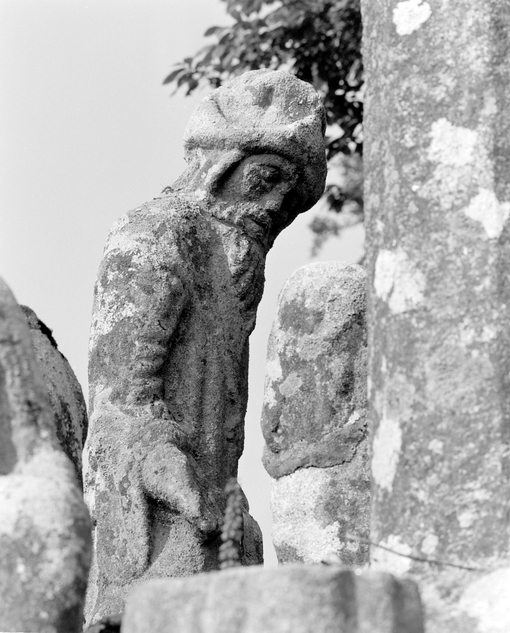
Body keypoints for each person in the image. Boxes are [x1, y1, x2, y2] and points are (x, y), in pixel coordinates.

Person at [84, 69, 327, 621]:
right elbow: (122, 400)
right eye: (267, 177)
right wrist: (170, 475)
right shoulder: (156, 233)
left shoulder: (238, 265)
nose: (274, 203)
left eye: (290, 194)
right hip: (161, 520)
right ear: (221, 164)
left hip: (219, 517)